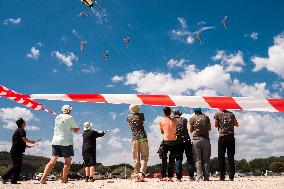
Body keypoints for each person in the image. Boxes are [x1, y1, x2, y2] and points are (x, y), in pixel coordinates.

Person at [40, 105, 80, 184]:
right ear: (69, 111)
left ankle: (43, 179)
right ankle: (64, 179)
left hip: (55, 141)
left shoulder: (57, 117)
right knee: (67, 161)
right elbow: (76, 130)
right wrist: (75, 128)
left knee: (52, 161)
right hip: (65, 142)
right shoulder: (69, 118)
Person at [1, 118, 37, 184]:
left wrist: (30, 146)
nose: (25, 123)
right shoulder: (21, 130)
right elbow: (24, 139)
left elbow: (22, 143)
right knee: (16, 165)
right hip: (16, 151)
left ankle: (14, 180)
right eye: (24, 122)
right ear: (22, 124)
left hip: (17, 151)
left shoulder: (19, 130)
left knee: (18, 166)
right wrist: (32, 142)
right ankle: (4, 177)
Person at [214, 109, 239, 181]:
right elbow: (237, 124)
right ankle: (231, 176)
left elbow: (216, 125)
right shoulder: (232, 114)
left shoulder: (217, 114)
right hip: (231, 136)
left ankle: (222, 177)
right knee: (231, 156)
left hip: (222, 136)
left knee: (221, 157)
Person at [127, 104, 149, 182]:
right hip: (143, 137)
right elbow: (142, 123)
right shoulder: (141, 115)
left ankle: (136, 172)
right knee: (144, 155)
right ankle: (142, 173)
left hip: (135, 138)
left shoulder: (129, 117)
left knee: (135, 156)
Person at [172, 109, 195, 182]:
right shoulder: (184, 119)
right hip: (186, 140)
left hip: (177, 140)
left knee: (178, 159)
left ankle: (179, 177)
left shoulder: (172, 121)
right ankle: (191, 176)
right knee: (190, 158)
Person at [189, 108, 211, 181]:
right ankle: (207, 177)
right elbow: (209, 129)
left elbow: (191, 130)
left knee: (198, 160)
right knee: (206, 160)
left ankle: (200, 177)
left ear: (195, 112)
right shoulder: (206, 117)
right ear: (201, 111)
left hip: (196, 140)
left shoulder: (192, 118)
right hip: (206, 139)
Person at [159, 107, 177, 182]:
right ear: (170, 112)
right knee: (172, 160)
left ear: (164, 113)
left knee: (164, 160)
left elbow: (162, 132)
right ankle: (170, 177)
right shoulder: (175, 120)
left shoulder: (161, 121)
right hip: (173, 141)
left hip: (165, 141)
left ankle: (163, 176)